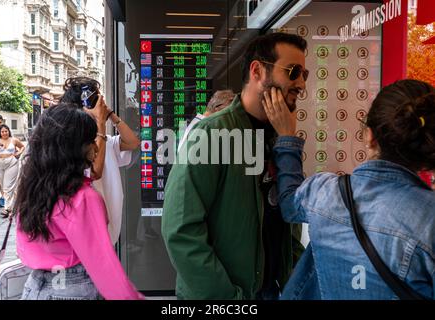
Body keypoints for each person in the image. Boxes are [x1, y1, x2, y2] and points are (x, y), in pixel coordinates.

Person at [161, 33, 307, 300]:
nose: (300, 83)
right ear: (257, 71)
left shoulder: (281, 135)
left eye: (304, 74)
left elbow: (290, 221)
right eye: (293, 72)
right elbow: (180, 230)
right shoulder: (211, 133)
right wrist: (229, 297)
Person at [263, 79, 435, 299]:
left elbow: (288, 203)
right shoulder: (429, 218)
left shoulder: (324, 192)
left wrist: (287, 137)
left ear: (369, 136)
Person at [15, 104, 144, 300]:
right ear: (72, 148)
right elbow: (104, 267)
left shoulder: (33, 188)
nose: (96, 147)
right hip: (73, 288)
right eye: (91, 140)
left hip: (35, 286)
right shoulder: (82, 198)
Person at [59, 77, 140, 244]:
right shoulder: (69, 145)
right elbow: (95, 171)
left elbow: (133, 142)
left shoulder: (106, 141)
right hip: (87, 238)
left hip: (108, 234)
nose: (98, 104)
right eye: (93, 101)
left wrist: (110, 114)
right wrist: (100, 122)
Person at [0, 124, 25, 218]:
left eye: (6, 131)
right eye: (2, 132)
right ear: (0, 133)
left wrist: (18, 153)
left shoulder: (14, 140)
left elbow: (22, 146)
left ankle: (7, 208)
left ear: (9, 131)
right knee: (4, 185)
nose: (4, 133)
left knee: (8, 187)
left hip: (11, 163)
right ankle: (17, 203)